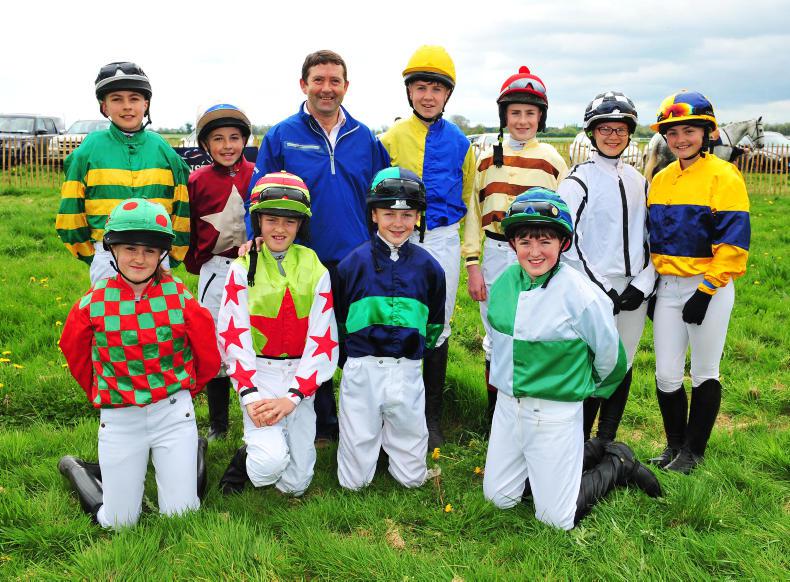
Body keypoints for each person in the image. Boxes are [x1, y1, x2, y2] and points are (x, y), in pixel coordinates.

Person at [482, 188, 660, 530]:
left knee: (555, 519)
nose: (535, 252)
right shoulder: (503, 284)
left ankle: (618, 464)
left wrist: (579, 389)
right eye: (525, 242)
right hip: (508, 408)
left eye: (545, 241)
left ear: (563, 243)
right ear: (513, 244)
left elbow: (611, 358)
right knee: (499, 498)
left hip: (555, 413)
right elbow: (498, 342)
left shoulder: (581, 294)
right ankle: (588, 452)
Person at [248, 50, 390, 443]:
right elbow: (258, 195)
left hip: (358, 260)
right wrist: (255, 236)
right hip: (303, 260)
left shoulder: (365, 138)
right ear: (303, 85)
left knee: (358, 339)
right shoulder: (282, 135)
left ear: (346, 86)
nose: (327, 88)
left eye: (334, 81)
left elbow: (380, 195)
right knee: (310, 339)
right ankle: (323, 422)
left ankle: (363, 419)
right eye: (318, 80)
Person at [57, 199, 220, 529]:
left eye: (149, 251)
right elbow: (74, 352)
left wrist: (184, 392)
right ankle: (75, 467)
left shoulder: (180, 298)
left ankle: (193, 449)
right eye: (130, 248)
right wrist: (104, 391)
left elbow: (208, 356)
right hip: (120, 418)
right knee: (119, 523)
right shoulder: (94, 302)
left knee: (181, 516)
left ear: (162, 254)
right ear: (113, 249)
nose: (139, 259)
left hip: (173, 414)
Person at [647, 91, 750, 473]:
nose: (680, 140)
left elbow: (734, 244)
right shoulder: (660, 179)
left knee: (704, 371)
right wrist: (654, 289)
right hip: (668, 287)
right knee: (666, 373)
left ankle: (693, 452)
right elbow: (653, 240)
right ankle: (674, 446)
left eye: (689, 131)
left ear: (707, 133)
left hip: (709, 287)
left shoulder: (725, 176)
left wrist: (705, 292)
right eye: (673, 133)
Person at [378, 45, 476, 449]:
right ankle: (392, 409)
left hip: (441, 239)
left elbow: (469, 199)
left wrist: (470, 254)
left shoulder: (462, 143)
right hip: (397, 236)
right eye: (420, 88)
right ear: (409, 92)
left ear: (447, 94)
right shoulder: (390, 139)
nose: (428, 96)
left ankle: (431, 416)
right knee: (395, 317)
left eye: (436, 89)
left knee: (438, 323)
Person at [217, 172, 339, 496]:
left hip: (299, 376)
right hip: (260, 374)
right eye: (271, 220)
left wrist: (294, 396)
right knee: (268, 466)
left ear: (301, 225)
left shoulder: (315, 267)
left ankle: (267, 442)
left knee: (296, 485)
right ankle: (251, 456)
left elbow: (322, 339)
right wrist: (251, 395)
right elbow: (234, 337)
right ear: (258, 220)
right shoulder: (241, 267)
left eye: (289, 221)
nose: (280, 229)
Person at [462, 65, 568, 426]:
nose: (522, 120)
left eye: (530, 113)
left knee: (534, 328)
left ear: (541, 117)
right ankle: (497, 415)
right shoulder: (486, 159)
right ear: (504, 116)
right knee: (496, 332)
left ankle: (531, 406)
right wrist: (472, 265)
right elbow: (474, 214)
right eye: (515, 113)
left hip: (537, 256)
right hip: (495, 253)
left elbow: (565, 217)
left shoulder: (552, 161)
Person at [557, 91, 655, 469]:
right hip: (593, 288)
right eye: (605, 129)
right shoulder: (577, 181)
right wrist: (603, 290)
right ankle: (578, 443)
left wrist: (643, 284)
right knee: (594, 364)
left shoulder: (638, 181)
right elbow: (568, 241)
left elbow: (652, 238)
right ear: (592, 133)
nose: (613, 136)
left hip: (634, 290)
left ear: (629, 133)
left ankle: (606, 441)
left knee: (623, 362)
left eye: (620, 129)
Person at [334, 167, 445, 490]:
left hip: (407, 369)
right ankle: (362, 463)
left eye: (407, 215)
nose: (398, 223)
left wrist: (413, 354)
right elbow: (338, 322)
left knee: (411, 477)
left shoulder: (430, 268)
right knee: (354, 480)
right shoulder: (351, 265)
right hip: (362, 369)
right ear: (374, 215)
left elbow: (434, 325)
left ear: (417, 217)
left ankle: (401, 462)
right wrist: (352, 359)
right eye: (389, 214)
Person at [55, 62, 191, 284]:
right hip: (106, 255)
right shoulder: (88, 150)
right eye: (117, 99)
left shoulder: (163, 149)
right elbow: (71, 210)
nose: (127, 106)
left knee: (158, 307)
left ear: (146, 104)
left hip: (157, 253)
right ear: (105, 107)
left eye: (134, 99)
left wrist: (172, 254)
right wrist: (93, 255)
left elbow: (182, 206)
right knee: (109, 308)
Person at [185, 103, 255, 441]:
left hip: (254, 268)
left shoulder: (258, 174)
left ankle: (257, 414)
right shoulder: (196, 181)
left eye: (234, 138)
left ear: (244, 140)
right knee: (214, 344)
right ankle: (219, 424)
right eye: (218, 139)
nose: (227, 146)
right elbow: (188, 228)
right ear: (206, 144)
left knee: (254, 338)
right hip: (214, 270)